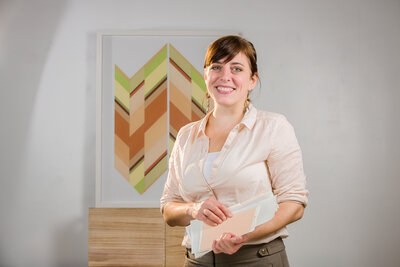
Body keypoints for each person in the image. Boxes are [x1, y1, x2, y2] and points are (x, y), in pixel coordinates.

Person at [160, 35, 308, 267]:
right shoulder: (186, 136)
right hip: (197, 261)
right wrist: (193, 209)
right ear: (206, 75)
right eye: (216, 67)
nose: (225, 76)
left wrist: (244, 237)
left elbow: (294, 204)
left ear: (252, 80)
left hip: (256, 259)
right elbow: (168, 209)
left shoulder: (273, 127)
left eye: (236, 68)